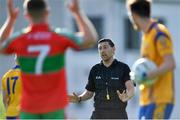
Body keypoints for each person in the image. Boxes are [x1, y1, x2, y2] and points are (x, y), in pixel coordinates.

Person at [0, 0, 97, 119]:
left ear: (27, 15)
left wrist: (11, 19)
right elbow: (90, 39)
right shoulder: (58, 36)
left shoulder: (20, 38)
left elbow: (1, 45)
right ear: (47, 13)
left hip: (29, 108)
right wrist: (78, 13)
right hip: (54, 108)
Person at [126, 0, 176, 119]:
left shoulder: (159, 33)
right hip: (146, 100)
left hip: (160, 99)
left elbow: (170, 63)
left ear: (134, 15)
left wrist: (146, 74)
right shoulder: (146, 35)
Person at [69, 38, 135, 119]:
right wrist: (79, 98)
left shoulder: (123, 68)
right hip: (98, 115)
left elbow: (130, 88)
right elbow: (89, 92)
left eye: (105, 47)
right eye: (100, 48)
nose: (102, 51)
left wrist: (127, 96)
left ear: (113, 49)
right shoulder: (95, 69)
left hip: (118, 115)